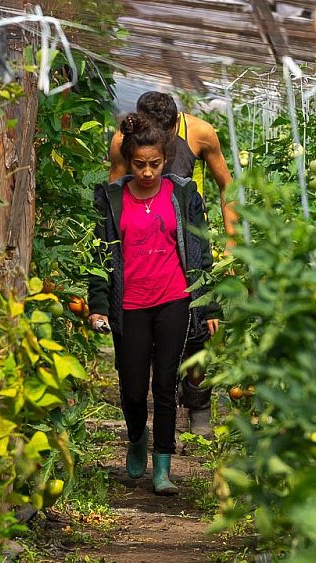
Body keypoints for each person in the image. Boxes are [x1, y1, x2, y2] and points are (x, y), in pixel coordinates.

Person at [89, 112, 220, 495]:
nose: (147, 173)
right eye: (140, 165)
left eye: (155, 165)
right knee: (132, 387)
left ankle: (162, 466)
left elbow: (200, 248)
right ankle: (136, 436)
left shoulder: (181, 193)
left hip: (172, 299)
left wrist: (209, 306)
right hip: (129, 303)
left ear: (166, 159)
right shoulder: (112, 198)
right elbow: (100, 257)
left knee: (164, 383)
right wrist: (98, 304)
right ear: (128, 162)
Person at [109, 91, 230, 438]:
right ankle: (159, 414)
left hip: (189, 239)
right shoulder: (124, 143)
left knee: (202, 328)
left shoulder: (201, 133)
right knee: (152, 344)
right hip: (147, 249)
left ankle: (197, 399)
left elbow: (227, 186)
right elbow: (114, 198)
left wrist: (232, 240)